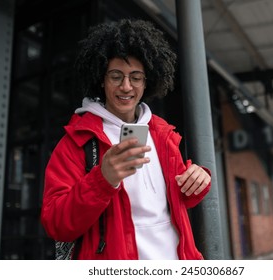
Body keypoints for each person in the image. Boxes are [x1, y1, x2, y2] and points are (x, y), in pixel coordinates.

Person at [41, 19, 211, 260]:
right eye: (116, 76)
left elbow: (180, 198)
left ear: (146, 81)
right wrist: (102, 180)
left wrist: (198, 179)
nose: (126, 86)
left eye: (136, 77)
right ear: (101, 78)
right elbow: (55, 224)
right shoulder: (76, 141)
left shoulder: (163, 134)